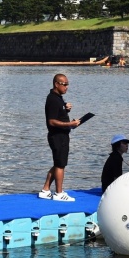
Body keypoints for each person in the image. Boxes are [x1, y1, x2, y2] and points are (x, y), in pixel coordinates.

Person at [39, 73, 81, 201]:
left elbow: (58, 115)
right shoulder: (52, 99)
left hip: (62, 134)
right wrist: (70, 123)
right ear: (56, 84)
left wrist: (66, 109)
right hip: (57, 136)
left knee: (58, 163)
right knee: (60, 165)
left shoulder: (58, 98)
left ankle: (45, 190)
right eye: (64, 84)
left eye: (68, 84)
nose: (67, 87)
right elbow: (51, 121)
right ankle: (59, 193)